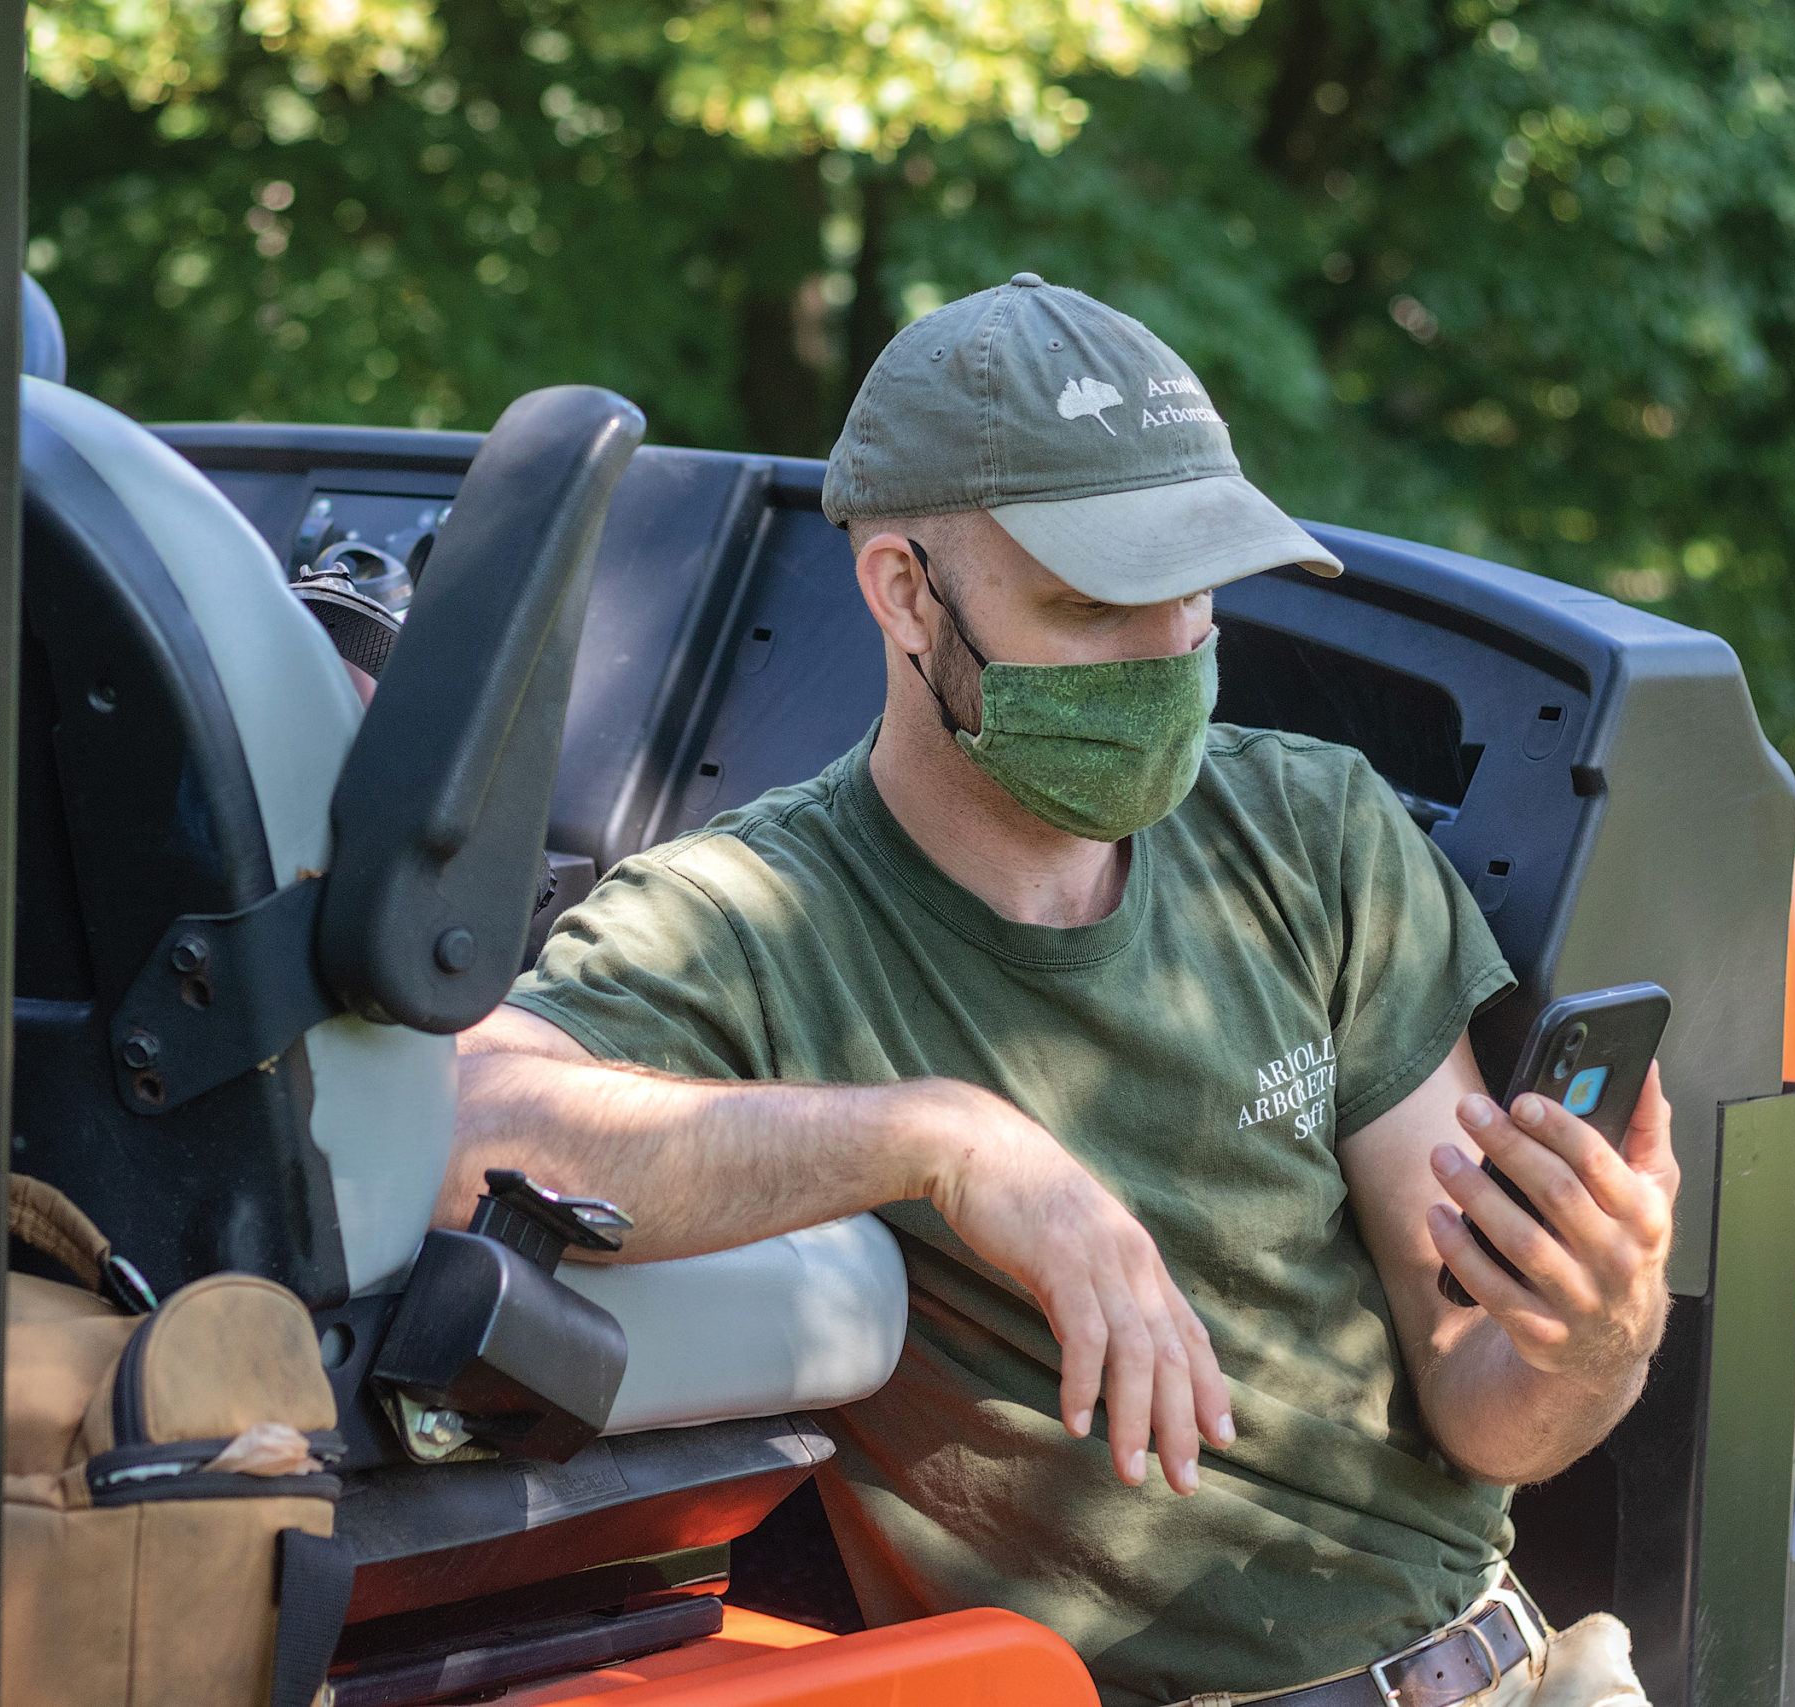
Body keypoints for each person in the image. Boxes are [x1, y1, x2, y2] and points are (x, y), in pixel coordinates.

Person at [442, 275, 1673, 1706]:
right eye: (1094, 604)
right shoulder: (754, 918)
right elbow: (458, 1134)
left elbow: (1488, 1409)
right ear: (906, 594)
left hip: (1508, 1667)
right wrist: (944, 1143)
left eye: (1197, 596)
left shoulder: (1317, 830)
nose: (1168, 660)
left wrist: (1593, 1340)